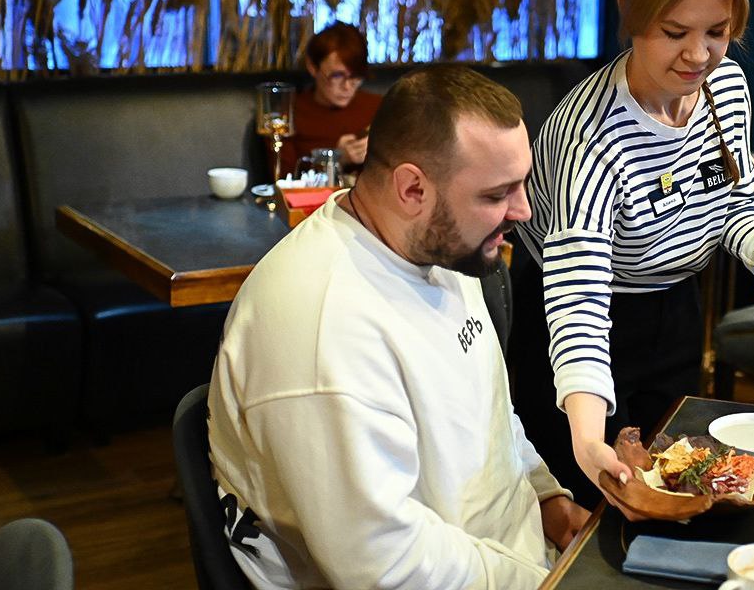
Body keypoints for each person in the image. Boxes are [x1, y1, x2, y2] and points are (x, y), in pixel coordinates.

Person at [209, 66, 588, 589]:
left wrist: (547, 502)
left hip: (519, 558)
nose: (522, 211)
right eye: (497, 194)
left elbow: (491, 414)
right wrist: (542, 579)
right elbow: (387, 566)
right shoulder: (324, 327)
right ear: (412, 188)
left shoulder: (438, 246)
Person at [509, 0, 754, 506]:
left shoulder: (728, 87)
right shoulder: (591, 135)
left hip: (675, 304)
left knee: (675, 482)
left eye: (717, 31)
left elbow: (734, 200)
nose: (699, 55)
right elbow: (578, 296)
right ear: (629, 13)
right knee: (593, 505)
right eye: (675, 32)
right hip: (582, 316)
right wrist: (585, 437)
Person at [279, 22, 381, 175]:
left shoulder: (379, 107)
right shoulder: (289, 113)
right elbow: (283, 179)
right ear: (313, 67)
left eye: (356, 76)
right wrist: (335, 159)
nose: (347, 86)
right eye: (337, 75)